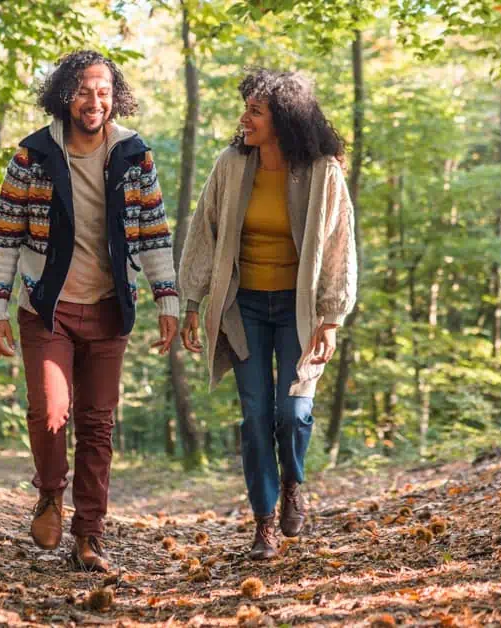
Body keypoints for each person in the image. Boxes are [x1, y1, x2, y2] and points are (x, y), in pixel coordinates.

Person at [0, 50, 180, 572]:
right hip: (47, 308)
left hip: (110, 308)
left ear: (115, 98)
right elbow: (4, 236)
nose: (94, 101)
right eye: (85, 90)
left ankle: (89, 535)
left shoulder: (135, 156)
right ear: (65, 94)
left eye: (104, 92)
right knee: (50, 413)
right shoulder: (33, 156)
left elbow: (156, 230)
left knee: (97, 425)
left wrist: (168, 297)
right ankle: (50, 494)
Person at [178, 69, 357, 560]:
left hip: (299, 312)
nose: (245, 118)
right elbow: (203, 233)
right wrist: (191, 302)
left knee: (293, 412)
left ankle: (293, 482)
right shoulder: (232, 165)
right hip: (245, 308)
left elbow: (340, 248)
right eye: (248, 109)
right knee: (256, 417)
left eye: (256, 110)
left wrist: (331, 316)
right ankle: (264, 524)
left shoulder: (323, 172)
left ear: (284, 118)